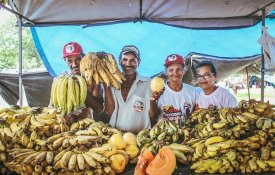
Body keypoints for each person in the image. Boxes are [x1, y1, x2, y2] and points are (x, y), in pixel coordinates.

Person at [103, 45, 151, 134]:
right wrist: (106, 85)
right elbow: (110, 112)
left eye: (132, 60)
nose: (128, 64)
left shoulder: (148, 83)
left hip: (140, 137)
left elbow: (153, 114)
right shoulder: (111, 83)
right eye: (125, 59)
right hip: (115, 136)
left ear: (139, 62)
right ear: (119, 61)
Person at [62, 42, 104, 123]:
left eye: (78, 59)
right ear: (65, 61)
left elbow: (99, 109)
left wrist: (81, 89)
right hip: (68, 127)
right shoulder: (61, 80)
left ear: (84, 58)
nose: (74, 65)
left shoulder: (92, 80)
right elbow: (54, 108)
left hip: (88, 127)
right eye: (69, 61)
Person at [149, 54, 195, 127]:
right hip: (164, 135)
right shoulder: (159, 91)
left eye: (178, 69)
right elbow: (153, 117)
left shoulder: (192, 91)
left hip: (187, 135)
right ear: (166, 72)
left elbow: (195, 115)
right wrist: (152, 101)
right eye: (171, 70)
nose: (175, 73)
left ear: (184, 71)